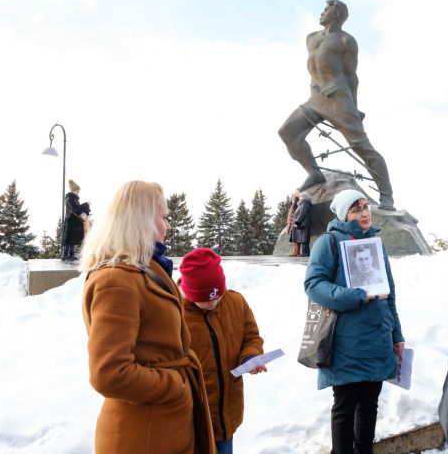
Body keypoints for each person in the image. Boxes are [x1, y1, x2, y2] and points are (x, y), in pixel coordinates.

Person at [79, 180, 215, 454]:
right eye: (163, 217)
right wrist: (175, 386)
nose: (168, 226)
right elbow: (109, 374)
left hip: (164, 428)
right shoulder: (115, 282)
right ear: (140, 219)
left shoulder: (142, 272)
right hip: (144, 434)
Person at [304, 189, 404, 454]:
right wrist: (357, 296)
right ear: (343, 214)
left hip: (377, 338)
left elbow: (389, 294)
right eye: (356, 209)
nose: (364, 213)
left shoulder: (376, 244)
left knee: (370, 405)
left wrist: (397, 335)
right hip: (345, 342)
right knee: (345, 407)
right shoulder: (329, 242)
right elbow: (313, 285)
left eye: (366, 206)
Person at [278, 0, 395, 210]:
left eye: (326, 10)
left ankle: (387, 196)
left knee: (362, 147)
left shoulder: (346, 41)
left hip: (339, 98)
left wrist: (355, 107)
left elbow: (352, 76)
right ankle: (314, 173)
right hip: (315, 99)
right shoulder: (311, 38)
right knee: (288, 132)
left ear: (336, 14)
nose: (321, 13)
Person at [178, 248, 266, 454]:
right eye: (205, 298)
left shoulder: (235, 302)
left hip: (226, 411)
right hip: (192, 414)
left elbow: (251, 337)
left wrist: (250, 357)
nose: (213, 302)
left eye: (218, 295)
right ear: (189, 292)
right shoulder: (175, 313)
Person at [61, 179, 91, 261]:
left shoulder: (73, 198)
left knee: (71, 239)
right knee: (69, 238)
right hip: (71, 221)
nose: (78, 192)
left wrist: (84, 205)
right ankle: (65, 255)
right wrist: (85, 204)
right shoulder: (70, 198)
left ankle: (70, 254)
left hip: (72, 221)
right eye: (77, 190)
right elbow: (76, 209)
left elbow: (77, 209)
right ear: (73, 190)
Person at [293, 191, 313, 257]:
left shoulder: (304, 204)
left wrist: (297, 222)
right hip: (303, 223)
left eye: (300, 196)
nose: (299, 198)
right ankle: (304, 252)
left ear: (304, 197)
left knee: (304, 238)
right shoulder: (303, 204)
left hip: (303, 223)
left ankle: (305, 253)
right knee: (303, 238)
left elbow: (302, 214)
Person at [287, 190, 301, 257]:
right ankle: (295, 252)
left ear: (296, 196)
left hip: (294, 223)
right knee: (294, 238)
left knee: (295, 238)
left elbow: (297, 214)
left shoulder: (297, 204)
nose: (292, 196)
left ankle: (296, 252)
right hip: (291, 223)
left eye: (293, 195)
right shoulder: (292, 204)